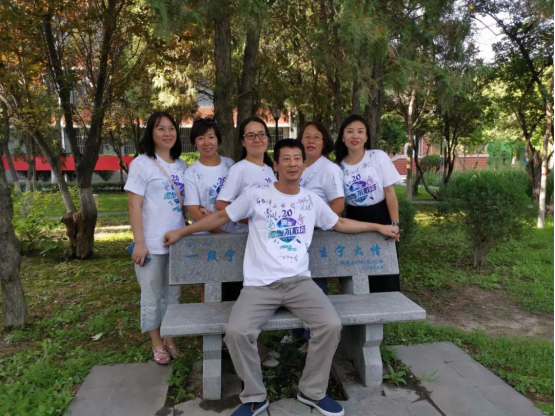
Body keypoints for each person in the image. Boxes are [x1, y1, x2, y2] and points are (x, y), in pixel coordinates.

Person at [164, 139, 398, 416]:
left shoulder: (310, 200)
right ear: (275, 165)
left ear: (303, 164)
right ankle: (254, 397)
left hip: (299, 283)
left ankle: (312, 391)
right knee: (237, 333)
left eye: (297, 158)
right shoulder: (256, 196)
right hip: (259, 286)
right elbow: (220, 217)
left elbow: (340, 223)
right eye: (286, 159)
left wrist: (378, 226)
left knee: (330, 325)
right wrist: (182, 232)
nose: (292, 164)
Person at [125, 111, 187, 365]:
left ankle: (170, 338)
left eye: (171, 128)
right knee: (151, 296)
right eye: (160, 128)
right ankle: (157, 343)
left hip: (177, 243)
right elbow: (134, 204)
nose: (167, 133)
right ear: (151, 132)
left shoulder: (181, 165)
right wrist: (140, 242)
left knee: (173, 296)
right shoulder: (141, 164)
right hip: (150, 244)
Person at [282, 122, 345, 348]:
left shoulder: (329, 170)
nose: (310, 141)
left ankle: (313, 338)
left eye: (316, 137)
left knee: (315, 284)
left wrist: (314, 222)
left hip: (316, 236)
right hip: (292, 235)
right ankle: (296, 332)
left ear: (324, 142)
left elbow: (338, 205)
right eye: (306, 136)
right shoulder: (296, 164)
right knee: (294, 282)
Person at [334, 114, 402, 292]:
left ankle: (386, 306)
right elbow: (338, 203)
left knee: (385, 270)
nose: (355, 136)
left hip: (382, 215)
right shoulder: (337, 168)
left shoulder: (377, 156)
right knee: (359, 267)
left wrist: (395, 223)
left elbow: (390, 192)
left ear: (366, 137)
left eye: (360, 131)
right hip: (355, 218)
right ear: (343, 137)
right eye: (350, 131)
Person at [184, 117, 237, 234]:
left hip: (232, 232)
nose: (207, 143)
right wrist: (220, 233)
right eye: (201, 138)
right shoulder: (191, 172)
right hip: (204, 236)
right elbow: (193, 211)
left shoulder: (230, 164)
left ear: (218, 140)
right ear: (194, 143)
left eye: (211, 137)